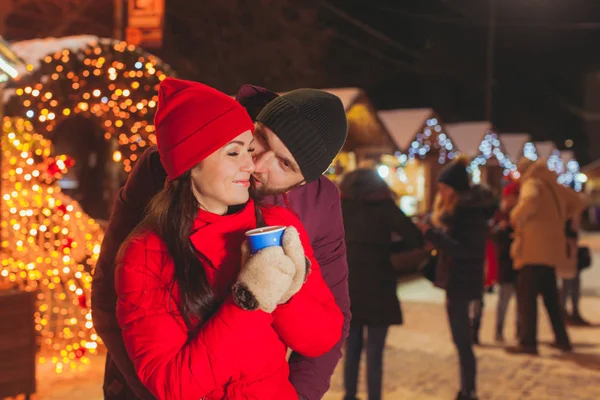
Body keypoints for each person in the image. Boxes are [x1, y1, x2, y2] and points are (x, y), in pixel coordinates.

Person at [91, 83, 351, 400]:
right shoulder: (160, 178)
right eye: (257, 141)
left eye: (284, 164)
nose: (255, 164)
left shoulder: (305, 209)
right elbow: (109, 295)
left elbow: (327, 328)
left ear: (304, 181)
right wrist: (252, 299)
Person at [339, 169, 424, 400]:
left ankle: (350, 395)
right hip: (380, 285)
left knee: (352, 350)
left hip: (350, 285)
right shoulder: (385, 205)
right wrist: (387, 249)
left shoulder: (342, 206)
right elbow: (416, 238)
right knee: (375, 353)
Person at [418, 156, 492, 400]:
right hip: (459, 283)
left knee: (463, 343)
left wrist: (435, 235)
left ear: (455, 189)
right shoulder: (463, 212)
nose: (441, 193)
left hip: (464, 284)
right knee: (461, 342)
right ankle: (467, 389)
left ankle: (468, 391)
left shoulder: (470, 215)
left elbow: (466, 251)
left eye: (444, 188)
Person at [506, 159, 586, 355]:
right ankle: (562, 339)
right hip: (551, 249)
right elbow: (579, 201)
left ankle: (528, 342)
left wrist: (515, 216)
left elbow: (529, 200)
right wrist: (561, 216)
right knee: (551, 298)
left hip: (532, 249)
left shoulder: (532, 182)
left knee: (527, 297)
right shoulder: (553, 184)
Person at [491, 181, 520, 342]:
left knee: (520, 304)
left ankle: (519, 332)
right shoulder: (499, 216)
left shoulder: (521, 215)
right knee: (503, 301)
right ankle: (499, 331)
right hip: (505, 266)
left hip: (519, 265)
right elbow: (493, 238)